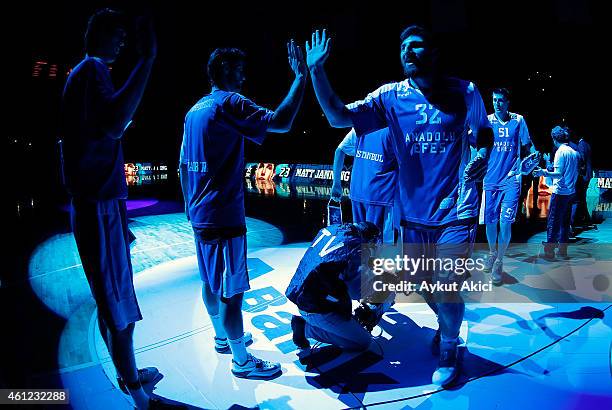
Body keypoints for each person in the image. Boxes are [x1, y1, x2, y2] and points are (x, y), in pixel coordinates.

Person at [305, 25, 493, 386]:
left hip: (457, 210)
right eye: (403, 46)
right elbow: (337, 116)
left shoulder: (465, 91)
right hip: (413, 215)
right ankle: (447, 326)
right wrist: (317, 70)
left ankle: (450, 348)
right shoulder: (390, 96)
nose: (408, 51)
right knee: (423, 283)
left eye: (417, 45)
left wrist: (483, 152)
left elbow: (483, 131)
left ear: (435, 52)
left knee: (446, 284)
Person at [62, 9, 181, 409]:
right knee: (119, 307)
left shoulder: (81, 77)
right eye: (117, 34)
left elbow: (98, 139)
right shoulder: (92, 69)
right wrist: (147, 60)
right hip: (98, 206)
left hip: (95, 206)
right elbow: (114, 124)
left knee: (110, 300)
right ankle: (137, 394)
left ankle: (128, 375)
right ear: (95, 35)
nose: (123, 43)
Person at [179, 44, 307, 379]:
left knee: (209, 281)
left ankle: (222, 338)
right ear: (224, 71)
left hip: (200, 216)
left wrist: (190, 208)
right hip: (224, 216)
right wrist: (301, 78)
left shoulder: (194, 111)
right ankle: (241, 361)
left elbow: (182, 166)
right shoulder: (229, 102)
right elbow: (281, 122)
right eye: (238, 71)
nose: (244, 77)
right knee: (232, 293)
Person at [287, 222, 394, 351]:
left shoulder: (333, 229)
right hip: (316, 307)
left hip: (301, 290)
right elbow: (356, 292)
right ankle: (306, 329)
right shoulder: (357, 250)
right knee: (363, 341)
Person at [481, 88, 538, 285]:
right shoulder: (486, 121)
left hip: (511, 179)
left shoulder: (518, 120)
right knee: (490, 222)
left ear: (508, 102)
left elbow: (528, 145)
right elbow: (475, 143)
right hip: (490, 179)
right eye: (494, 100)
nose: (497, 104)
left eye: (501, 100)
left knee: (505, 222)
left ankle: (499, 261)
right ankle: (491, 252)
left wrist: (534, 157)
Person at [331, 128, 398, 243]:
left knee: (361, 239)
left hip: (357, 191)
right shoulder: (394, 128)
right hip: (380, 196)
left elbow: (339, 150)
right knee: (379, 241)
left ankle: (365, 260)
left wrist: (336, 183)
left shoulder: (360, 126)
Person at [533, 126, 580, 260]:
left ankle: (549, 250)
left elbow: (559, 174)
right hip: (571, 192)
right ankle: (562, 250)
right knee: (565, 222)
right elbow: (575, 173)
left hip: (560, 192)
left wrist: (543, 172)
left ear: (553, 139)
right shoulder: (573, 151)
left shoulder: (560, 152)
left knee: (553, 221)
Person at [570, 131, 592, 231]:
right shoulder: (586, 144)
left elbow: (582, 159)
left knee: (580, 198)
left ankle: (585, 218)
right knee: (582, 198)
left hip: (584, 175)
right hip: (587, 174)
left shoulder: (581, 144)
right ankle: (585, 218)